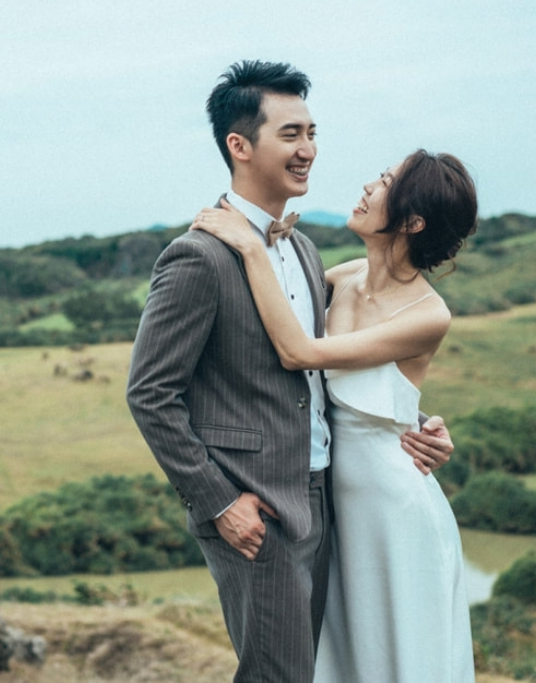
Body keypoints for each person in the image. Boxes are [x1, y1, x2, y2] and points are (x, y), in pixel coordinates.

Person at [126, 60, 454, 683]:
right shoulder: (198, 257)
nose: (309, 150)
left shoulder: (304, 249)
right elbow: (149, 395)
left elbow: (346, 367)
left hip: (327, 501)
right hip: (254, 508)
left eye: (312, 133)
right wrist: (221, 504)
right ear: (240, 146)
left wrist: (417, 425)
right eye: (291, 135)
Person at [192, 149, 478, 682]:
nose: (369, 186)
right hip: (328, 505)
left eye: (386, 183)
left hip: (391, 510)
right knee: (340, 659)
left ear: (412, 221)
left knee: (397, 655)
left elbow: (298, 352)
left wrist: (252, 250)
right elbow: (265, 321)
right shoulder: (342, 275)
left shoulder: (428, 313)